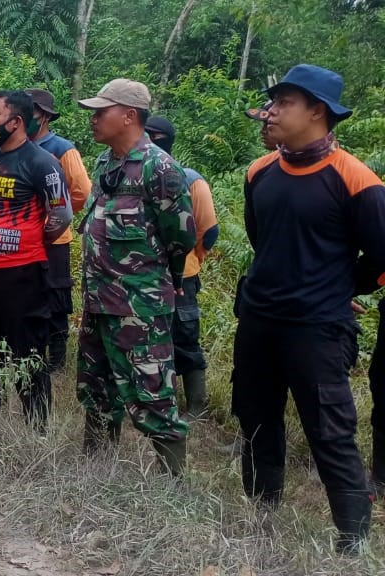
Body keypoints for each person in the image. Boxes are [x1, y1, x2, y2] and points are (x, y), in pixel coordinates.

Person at [233, 64, 385, 553]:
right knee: (255, 417)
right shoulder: (260, 173)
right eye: (271, 102)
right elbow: (262, 241)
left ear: (317, 112)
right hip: (258, 319)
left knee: (330, 429)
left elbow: (382, 256)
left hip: (317, 330)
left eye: (283, 102)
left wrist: (342, 286)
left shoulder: (357, 180)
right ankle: (260, 513)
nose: (269, 111)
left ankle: (352, 539)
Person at [75, 79, 194, 475]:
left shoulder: (160, 169)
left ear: (129, 116)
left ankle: (172, 489)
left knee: (153, 395)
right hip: (98, 300)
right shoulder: (105, 163)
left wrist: (158, 282)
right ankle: (97, 471)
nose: (93, 119)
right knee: (95, 390)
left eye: (100, 111)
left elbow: (180, 237)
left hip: (138, 307)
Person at [0, 90, 72, 431]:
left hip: (22, 276)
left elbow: (62, 215)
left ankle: (35, 428)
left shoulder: (42, 163)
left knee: (27, 351)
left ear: (15, 122)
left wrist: (30, 243)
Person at [145, 116, 219, 420]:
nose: (149, 139)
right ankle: (157, 402)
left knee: (185, 340)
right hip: (143, 274)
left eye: (155, 135)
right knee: (149, 340)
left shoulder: (189, 178)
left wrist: (192, 260)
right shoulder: (132, 172)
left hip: (181, 278)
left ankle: (196, 408)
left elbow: (208, 230)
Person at [25, 89, 92, 372]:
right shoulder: (15, 147)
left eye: (31, 113)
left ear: (45, 117)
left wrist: (57, 217)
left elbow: (81, 191)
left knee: (55, 297)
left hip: (53, 238)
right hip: (24, 239)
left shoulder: (62, 148)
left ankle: (56, 359)